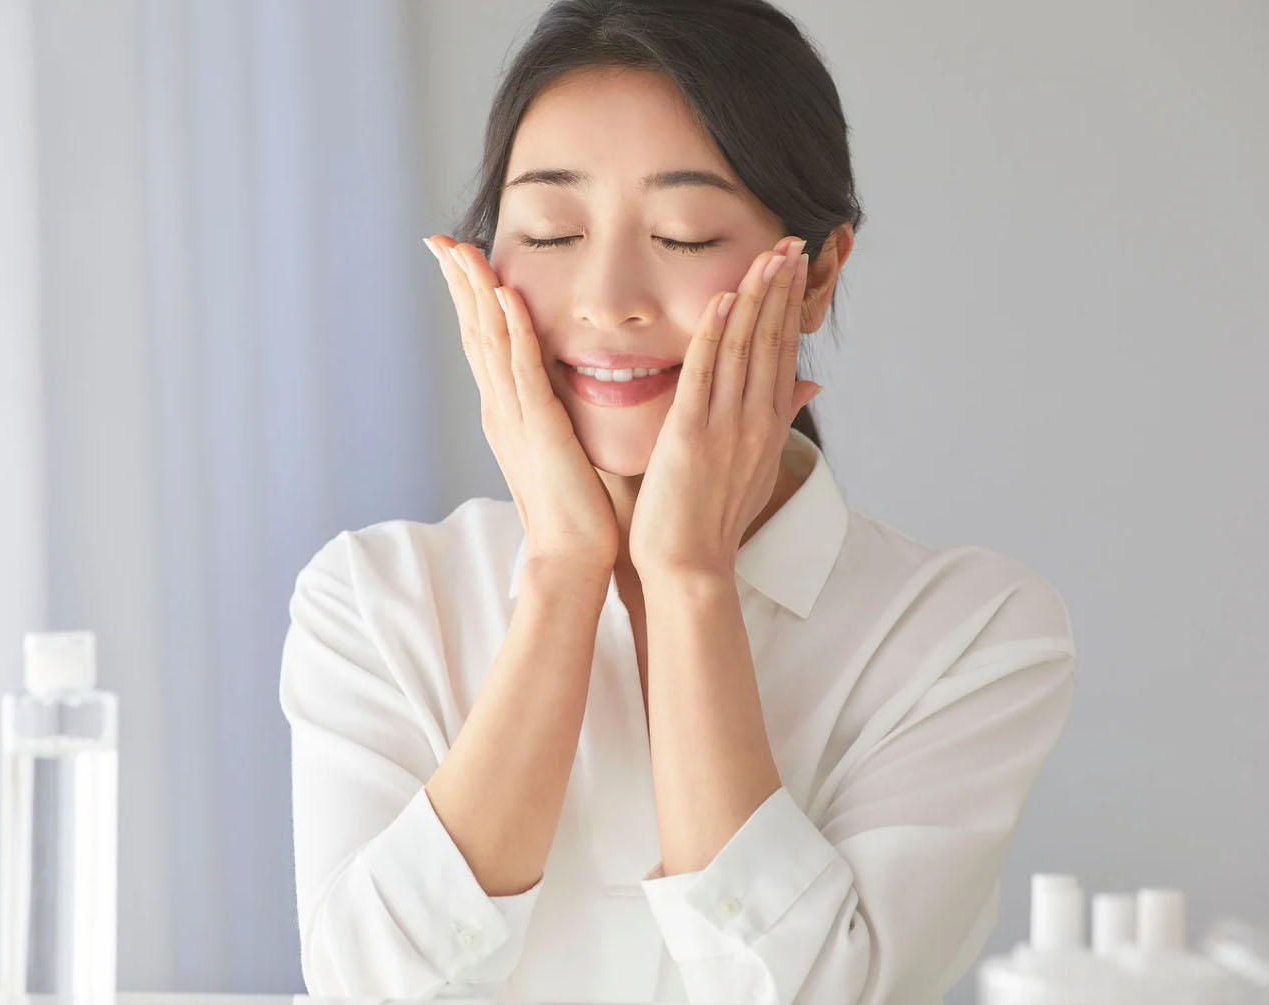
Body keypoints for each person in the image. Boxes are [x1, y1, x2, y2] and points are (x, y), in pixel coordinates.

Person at [279, 1, 1076, 1001]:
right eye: (552, 229)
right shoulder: (376, 599)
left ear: (819, 273)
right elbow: (367, 987)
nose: (607, 296)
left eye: (683, 234)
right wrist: (564, 577)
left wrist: (688, 582)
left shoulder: (966, 634)